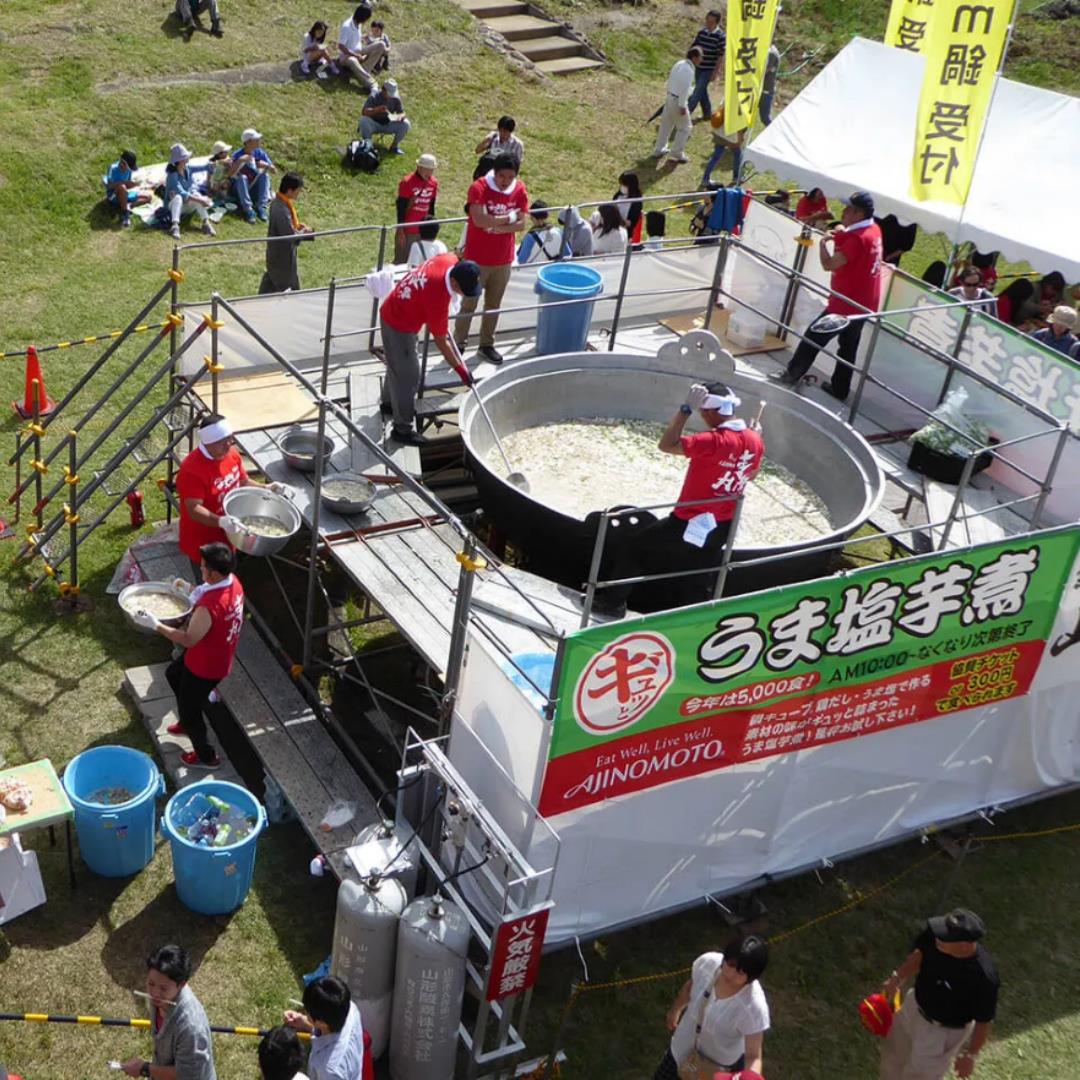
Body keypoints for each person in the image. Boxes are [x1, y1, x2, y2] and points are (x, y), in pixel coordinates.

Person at [594, 380, 764, 617]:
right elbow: (751, 475)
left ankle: (611, 604)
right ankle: (694, 620)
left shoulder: (713, 440)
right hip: (724, 524)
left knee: (636, 549)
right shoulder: (755, 440)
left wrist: (685, 410)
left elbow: (667, 444)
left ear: (710, 411)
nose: (703, 416)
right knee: (697, 575)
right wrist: (756, 438)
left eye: (703, 412)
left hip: (689, 520)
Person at [134, 542, 244, 768]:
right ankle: (187, 718)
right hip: (216, 655)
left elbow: (188, 639)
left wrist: (155, 624)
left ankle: (206, 756)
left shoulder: (208, 607)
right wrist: (189, 588)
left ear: (214, 574)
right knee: (173, 674)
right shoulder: (233, 583)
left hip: (205, 667)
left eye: (203, 567)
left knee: (191, 710)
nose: (200, 569)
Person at [772, 190, 883, 401]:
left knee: (813, 337)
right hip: (865, 303)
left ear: (859, 214)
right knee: (848, 347)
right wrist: (840, 232)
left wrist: (823, 244)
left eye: (849, 209)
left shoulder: (857, 239)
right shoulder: (874, 230)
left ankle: (791, 374)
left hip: (845, 304)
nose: (844, 211)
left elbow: (829, 264)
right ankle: (840, 389)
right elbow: (849, 238)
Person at [878, 908, 999, 1080]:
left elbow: (984, 1021)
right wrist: (897, 979)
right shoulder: (936, 937)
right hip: (913, 1007)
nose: (938, 937)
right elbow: (919, 955)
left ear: (964, 946)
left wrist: (971, 1055)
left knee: (919, 1076)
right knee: (892, 1058)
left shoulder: (983, 977)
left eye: (945, 937)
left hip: (941, 1032)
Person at [379, 254, 483, 444]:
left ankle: (389, 404)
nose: (463, 295)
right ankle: (402, 430)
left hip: (396, 310)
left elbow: (456, 254)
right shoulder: (438, 297)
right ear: (454, 282)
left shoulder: (448, 260)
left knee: (398, 364)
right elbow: (442, 342)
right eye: (463, 290)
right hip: (398, 324)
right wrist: (462, 371)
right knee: (409, 376)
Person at [653, 937, 769, 1080]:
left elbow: (753, 1056)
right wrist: (676, 1009)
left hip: (715, 1070)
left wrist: (750, 1077)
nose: (730, 974)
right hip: (681, 1050)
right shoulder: (707, 963)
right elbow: (690, 987)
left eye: (740, 973)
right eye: (730, 965)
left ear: (751, 977)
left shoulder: (753, 1007)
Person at [454, 154, 530, 365]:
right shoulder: (479, 187)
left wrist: (496, 226)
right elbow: (479, 220)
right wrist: (508, 218)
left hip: (503, 259)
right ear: (494, 173)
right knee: (468, 304)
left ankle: (486, 344)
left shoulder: (519, 189)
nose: (505, 181)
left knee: (493, 305)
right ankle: (459, 342)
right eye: (502, 176)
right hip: (476, 259)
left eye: (510, 177)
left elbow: (522, 223)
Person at [175, 413, 277, 567]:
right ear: (208, 443)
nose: (228, 444)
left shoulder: (232, 454)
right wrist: (221, 521)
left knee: (229, 572)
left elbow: (243, 481)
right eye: (222, 442)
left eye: (230, 438)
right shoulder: (192, 470)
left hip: (230, 533)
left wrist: (266, 489)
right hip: (204, 542)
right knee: (209, 577)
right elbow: (194, 509)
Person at [120, 944, 217, 1079]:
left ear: (181, 985)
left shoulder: (191, 1028)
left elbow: (189, 1074)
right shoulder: (162, 998)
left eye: (163, 988)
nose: (154, 993)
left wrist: (145, 1069)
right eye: (151, 983)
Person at [284, 975, 365, 1080]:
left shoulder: (329, 1070)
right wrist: (304, 1022)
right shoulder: (350, 1009)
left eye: (307, 1012)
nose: (304, 1013)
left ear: (322, 1023)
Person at [259, 173, 313, 295]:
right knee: (290, 290)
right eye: (298, 190)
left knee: (269, 287)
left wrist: (298, 228)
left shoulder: (280, 203)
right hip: (282, 259)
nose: (299, 193)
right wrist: (305, 233)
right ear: (290, 190)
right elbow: (289, 236)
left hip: (278, 256)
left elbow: (288, 228)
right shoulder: (280, 208)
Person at [654, 47, 702, 165]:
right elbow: (684, 89)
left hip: (670, 97)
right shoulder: (688, 70)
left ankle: (659, 149)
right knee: (686, 128)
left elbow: (670, 80)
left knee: (666, 125)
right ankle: (676, 152)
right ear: (694, 57)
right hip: (677, 101)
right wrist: (682, 106)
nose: (701, 60)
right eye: (700, 57)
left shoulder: (679, 63)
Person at [165, 144, 215, 241]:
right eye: (186, 157)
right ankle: (175, 226)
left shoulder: (188, 169)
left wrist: (212, 165)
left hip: (186, 205)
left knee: (196, 195)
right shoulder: (172, 175)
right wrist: (201, 200)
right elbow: (181, 192)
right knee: (178, 197)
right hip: (173, 207)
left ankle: (206, 223)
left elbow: (204, 167)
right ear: (180, 160)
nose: (188, 158)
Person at [396, 153, 439, 263]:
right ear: (419, 167)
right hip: (408, 230)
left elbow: (431, 206)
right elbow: (401, 207)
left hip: (423, 231)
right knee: (402, 261)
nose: (429, 173)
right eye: (427, 169)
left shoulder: (433, 183)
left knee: (421, 262)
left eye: (431, 170)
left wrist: (431, 229)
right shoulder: (407, 182)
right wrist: (401, 231)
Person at [230, 128, 275, 224]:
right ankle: (248, 210)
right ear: (249, 142)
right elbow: (229, 175)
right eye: (256, 139)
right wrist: (240, 161)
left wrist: (265, 165)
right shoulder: (237, 155)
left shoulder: (259, 153)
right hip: (239, 190)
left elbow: (273, 170)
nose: (259, 141)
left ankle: (261, 207)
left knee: (264, 176)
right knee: (242, 177)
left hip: (253, 187)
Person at [687, 10, 725, 121]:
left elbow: (720, 56)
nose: (708, 23)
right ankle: (707, 113)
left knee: (696, 92)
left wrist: (716, 72)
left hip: (709, 69)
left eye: (711, 22)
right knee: (702, 90)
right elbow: (694, 47)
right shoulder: (702, 32)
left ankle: (684, 115)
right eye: (707, 20)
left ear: (717, 23)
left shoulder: (720, 36)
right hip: (698, 67)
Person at [359, 78, 411, 156]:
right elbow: (364, 112)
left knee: (406, 124)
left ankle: (394, 147)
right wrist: (377, 110)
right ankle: (368, 145)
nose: (391, 96)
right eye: (389, 93)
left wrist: (400, 117)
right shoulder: (374, 95)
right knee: (364, 120)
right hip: (373, 123)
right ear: (383, 90)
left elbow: (402, 112)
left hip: (388, 123)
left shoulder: (396, 98)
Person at [337, 5, 383, 91]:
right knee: (353, 61)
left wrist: (364, 38)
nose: (366, 21)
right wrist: (355, 55)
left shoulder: (358, 23)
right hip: (346, 56)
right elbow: (341, 46)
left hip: (359, 50)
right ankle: (372, 84)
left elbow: (354, 38)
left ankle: (363, 70)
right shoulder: (347, 26)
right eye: (366, 18)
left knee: (381, 45)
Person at [701, 105, 746, 187]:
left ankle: (705, 179)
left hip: (720, 133)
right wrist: (740, 138)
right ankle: (736, 177)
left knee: (715, 157)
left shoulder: (727, 99)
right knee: (738, 155)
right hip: (731, 136)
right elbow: (741, 125)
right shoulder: (742, 105)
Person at [104, 150, 151, 227]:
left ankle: (128, 206)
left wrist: (134, 184)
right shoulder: (113, 168)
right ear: (122, 162)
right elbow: (109, 186)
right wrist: (123, 183)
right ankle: (125, 213)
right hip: (113, 195)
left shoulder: (129, 171)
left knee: (148, 197)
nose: (128, 169)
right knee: (122, 187)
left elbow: (127, 185)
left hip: (125, 193)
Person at [612, 170, 643, 242]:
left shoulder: (636, 201)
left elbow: (632, 222)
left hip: (625, 233)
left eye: (624, 185)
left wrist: (622, 222)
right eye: (621, 184)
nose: (622, 187)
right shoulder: (617, 195)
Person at [758, 43, 780, 125]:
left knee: (765, 118)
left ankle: (775, 131)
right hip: (761, 89)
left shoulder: (771, 53)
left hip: (766, 90)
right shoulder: (770, 50)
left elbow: (765, 71)